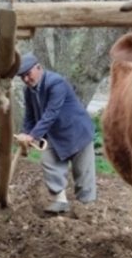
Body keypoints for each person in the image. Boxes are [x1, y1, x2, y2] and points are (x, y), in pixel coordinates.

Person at [15, 52, 97, 213]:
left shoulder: (55, 83)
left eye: (28, 74)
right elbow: (29, 116)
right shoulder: (28, 91)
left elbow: (51, 113)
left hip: (77, 132)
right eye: (22, 77)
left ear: (38, 68)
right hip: (54, 134)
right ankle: (60, 201)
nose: (26, 79)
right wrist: (24, 134)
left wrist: (33, 136)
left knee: (83, 172)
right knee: (49, 161)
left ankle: (87, 209)